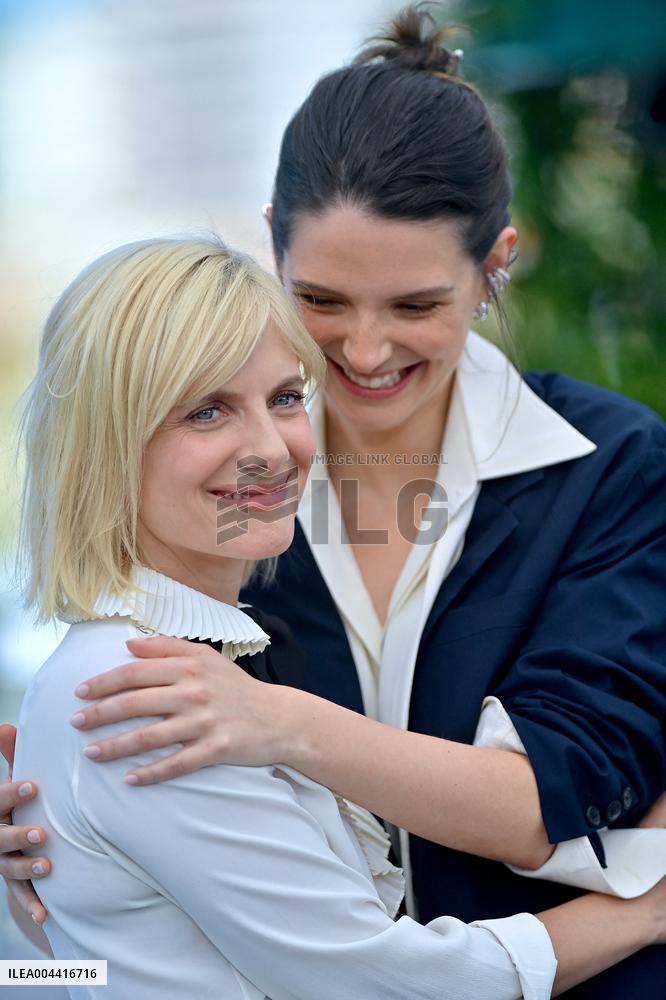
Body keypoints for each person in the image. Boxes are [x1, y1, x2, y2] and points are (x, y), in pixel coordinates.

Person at [2, 5, 665, 996]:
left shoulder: (610, 466)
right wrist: (67, 819)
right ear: (273, 243)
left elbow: (552, 796)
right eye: (321, 299)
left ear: (496, 265)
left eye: (416, 305)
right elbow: (81, 959)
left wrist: (279, 723)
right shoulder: (228, 491)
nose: (361, 350)